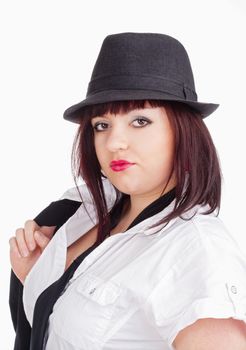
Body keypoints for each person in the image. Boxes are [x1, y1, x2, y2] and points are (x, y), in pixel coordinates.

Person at [9, 32, 246, 350]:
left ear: (183, 132)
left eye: (140, 121)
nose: (114, 142)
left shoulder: (198, 252)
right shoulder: (82, 210)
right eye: (102, 125)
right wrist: (40, 280)